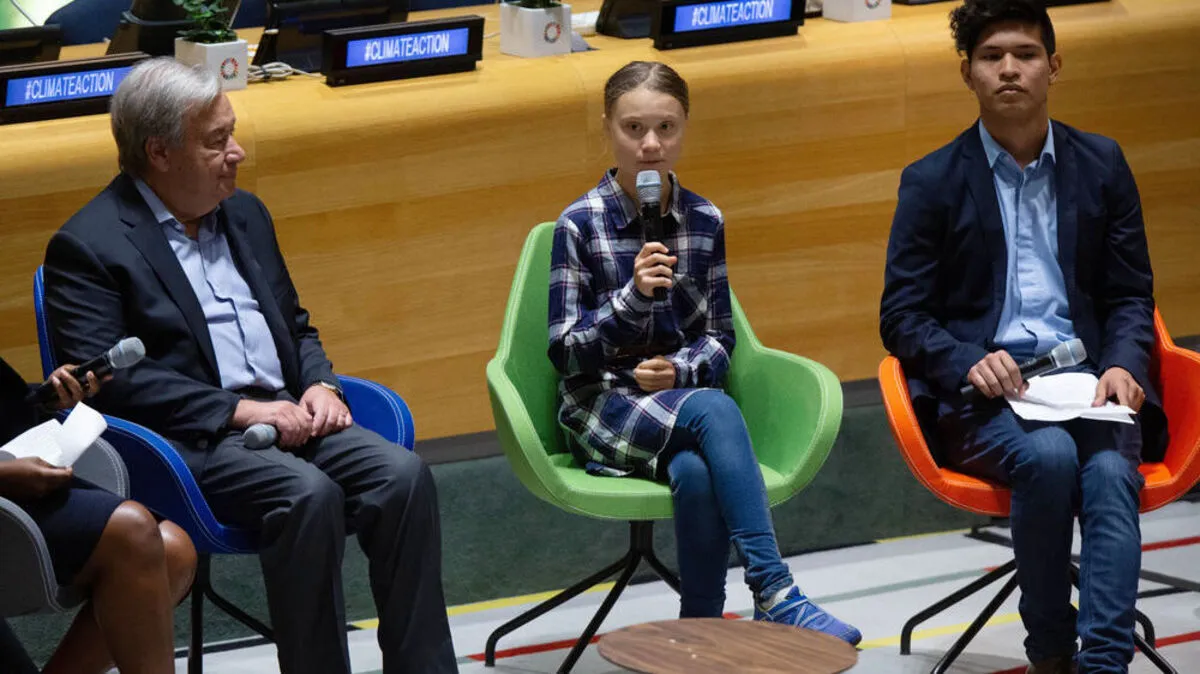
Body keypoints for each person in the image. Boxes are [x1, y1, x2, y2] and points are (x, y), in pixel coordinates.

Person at [41, 58, 456, 674]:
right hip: (194, 441)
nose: (236, 153)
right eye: (216, 141)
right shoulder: (88, 245)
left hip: (290, 414)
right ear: (159, 152)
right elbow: (114, 382)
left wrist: (320, 382)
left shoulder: (244, 213)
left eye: (231, 134)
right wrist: (240, 410)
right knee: (307, 495)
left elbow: (295, 324)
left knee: (403, 477)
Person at [879, 1, 1166, 672]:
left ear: (1053, 66)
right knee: (1050, 459)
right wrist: (967, 361)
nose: (1009, 69)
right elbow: (902, 316)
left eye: (1026, 54)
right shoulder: (931, 181)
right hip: (988, 396)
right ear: (968, 73)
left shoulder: (1101, 163)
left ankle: (1104, 663)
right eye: (991, 57)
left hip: (1087, 384)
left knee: (1108, 471)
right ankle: (1051, 651)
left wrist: (1124, 363)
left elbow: (1130, 294)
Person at [548, 60, 862, 645]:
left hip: (678, 402)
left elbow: (720, 337)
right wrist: (630, 299)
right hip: (603, 405)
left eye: (666, 128)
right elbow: (565, 354)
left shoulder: (704, 219)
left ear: (684, 128)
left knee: (695, 474)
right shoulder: (578, 225)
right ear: (608, 129)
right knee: (715, 409)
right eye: (633, 128)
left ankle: (699, 634)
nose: (650, 144)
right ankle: (775, 591)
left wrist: (680, 369)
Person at [0, 356, 196, 674]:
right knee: (130, 530)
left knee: (174, 550)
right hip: (7, 486)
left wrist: (46, 397)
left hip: (20, 468)